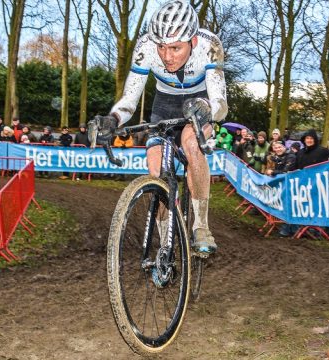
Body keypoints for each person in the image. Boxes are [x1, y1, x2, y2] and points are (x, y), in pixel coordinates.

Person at [90, 0, 227, 254]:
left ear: (192, 42)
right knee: (156, 170)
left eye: (175, 48)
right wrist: (113, 119)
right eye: (162, 47)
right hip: (163, 104)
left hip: (200, 102)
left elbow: (221, 102)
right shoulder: (145, 47)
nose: (166, 56)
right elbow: (130, 99)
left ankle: (201, 225)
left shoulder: (210, 45)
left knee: (191, 143)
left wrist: (208, 108)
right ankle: (165, 244)